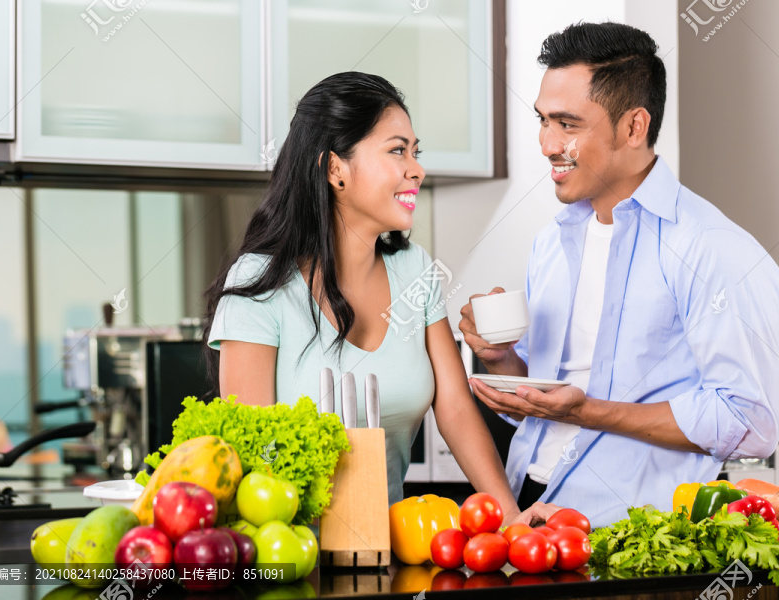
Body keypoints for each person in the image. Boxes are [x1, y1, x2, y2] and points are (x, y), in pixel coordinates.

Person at [460, 22, 779, 527]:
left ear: (634, 127)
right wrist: (502, 361)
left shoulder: (716, 250)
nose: (548, 143)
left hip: (635, 535)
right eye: (543, 120)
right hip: (527, 510)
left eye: (568, 124)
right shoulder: (553, 242)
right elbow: (545, 399)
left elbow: (750, 422)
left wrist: (587, 411)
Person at [204, 72, 546, 523]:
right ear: (334, 169)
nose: (417, 169)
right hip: (289, 552)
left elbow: (456, 408)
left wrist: (508, 514)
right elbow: (251, 453)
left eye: (415, 152)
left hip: (393, 552)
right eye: (397, 150)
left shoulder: (414, 269)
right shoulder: (261, 283)